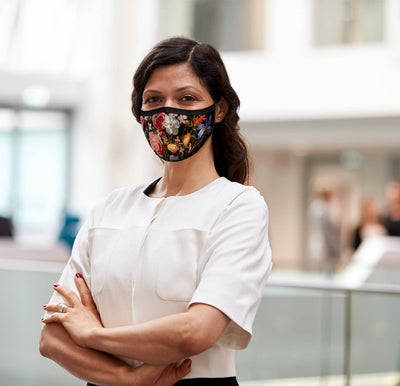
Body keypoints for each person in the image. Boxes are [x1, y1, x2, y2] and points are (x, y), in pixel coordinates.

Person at [40, 37, 272, 386]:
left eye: (186, 98)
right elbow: (51, 338)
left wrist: (92, 336)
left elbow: (196, 331)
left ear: (219, 109)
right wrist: (127, 379)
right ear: (140, 112)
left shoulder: (239, 206)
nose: (169, 112)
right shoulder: (109, 209)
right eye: (154, 100)